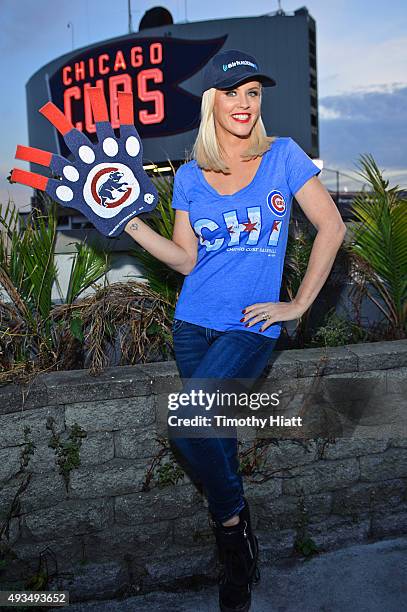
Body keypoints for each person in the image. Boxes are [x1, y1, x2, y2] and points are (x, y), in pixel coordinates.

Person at [124, 49, 347, 612]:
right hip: (192, 327)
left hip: (250, 326)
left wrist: (296, 304)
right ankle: (239, 539)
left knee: (189, 421)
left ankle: (231, 535)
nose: (244, 103)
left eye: (253, 93)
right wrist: (128, 223)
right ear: (211, 102)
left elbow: (331, 226)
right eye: (232, 93)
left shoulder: (283, 156)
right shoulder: (190, 176)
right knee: (209, 431)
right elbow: (184, 260)